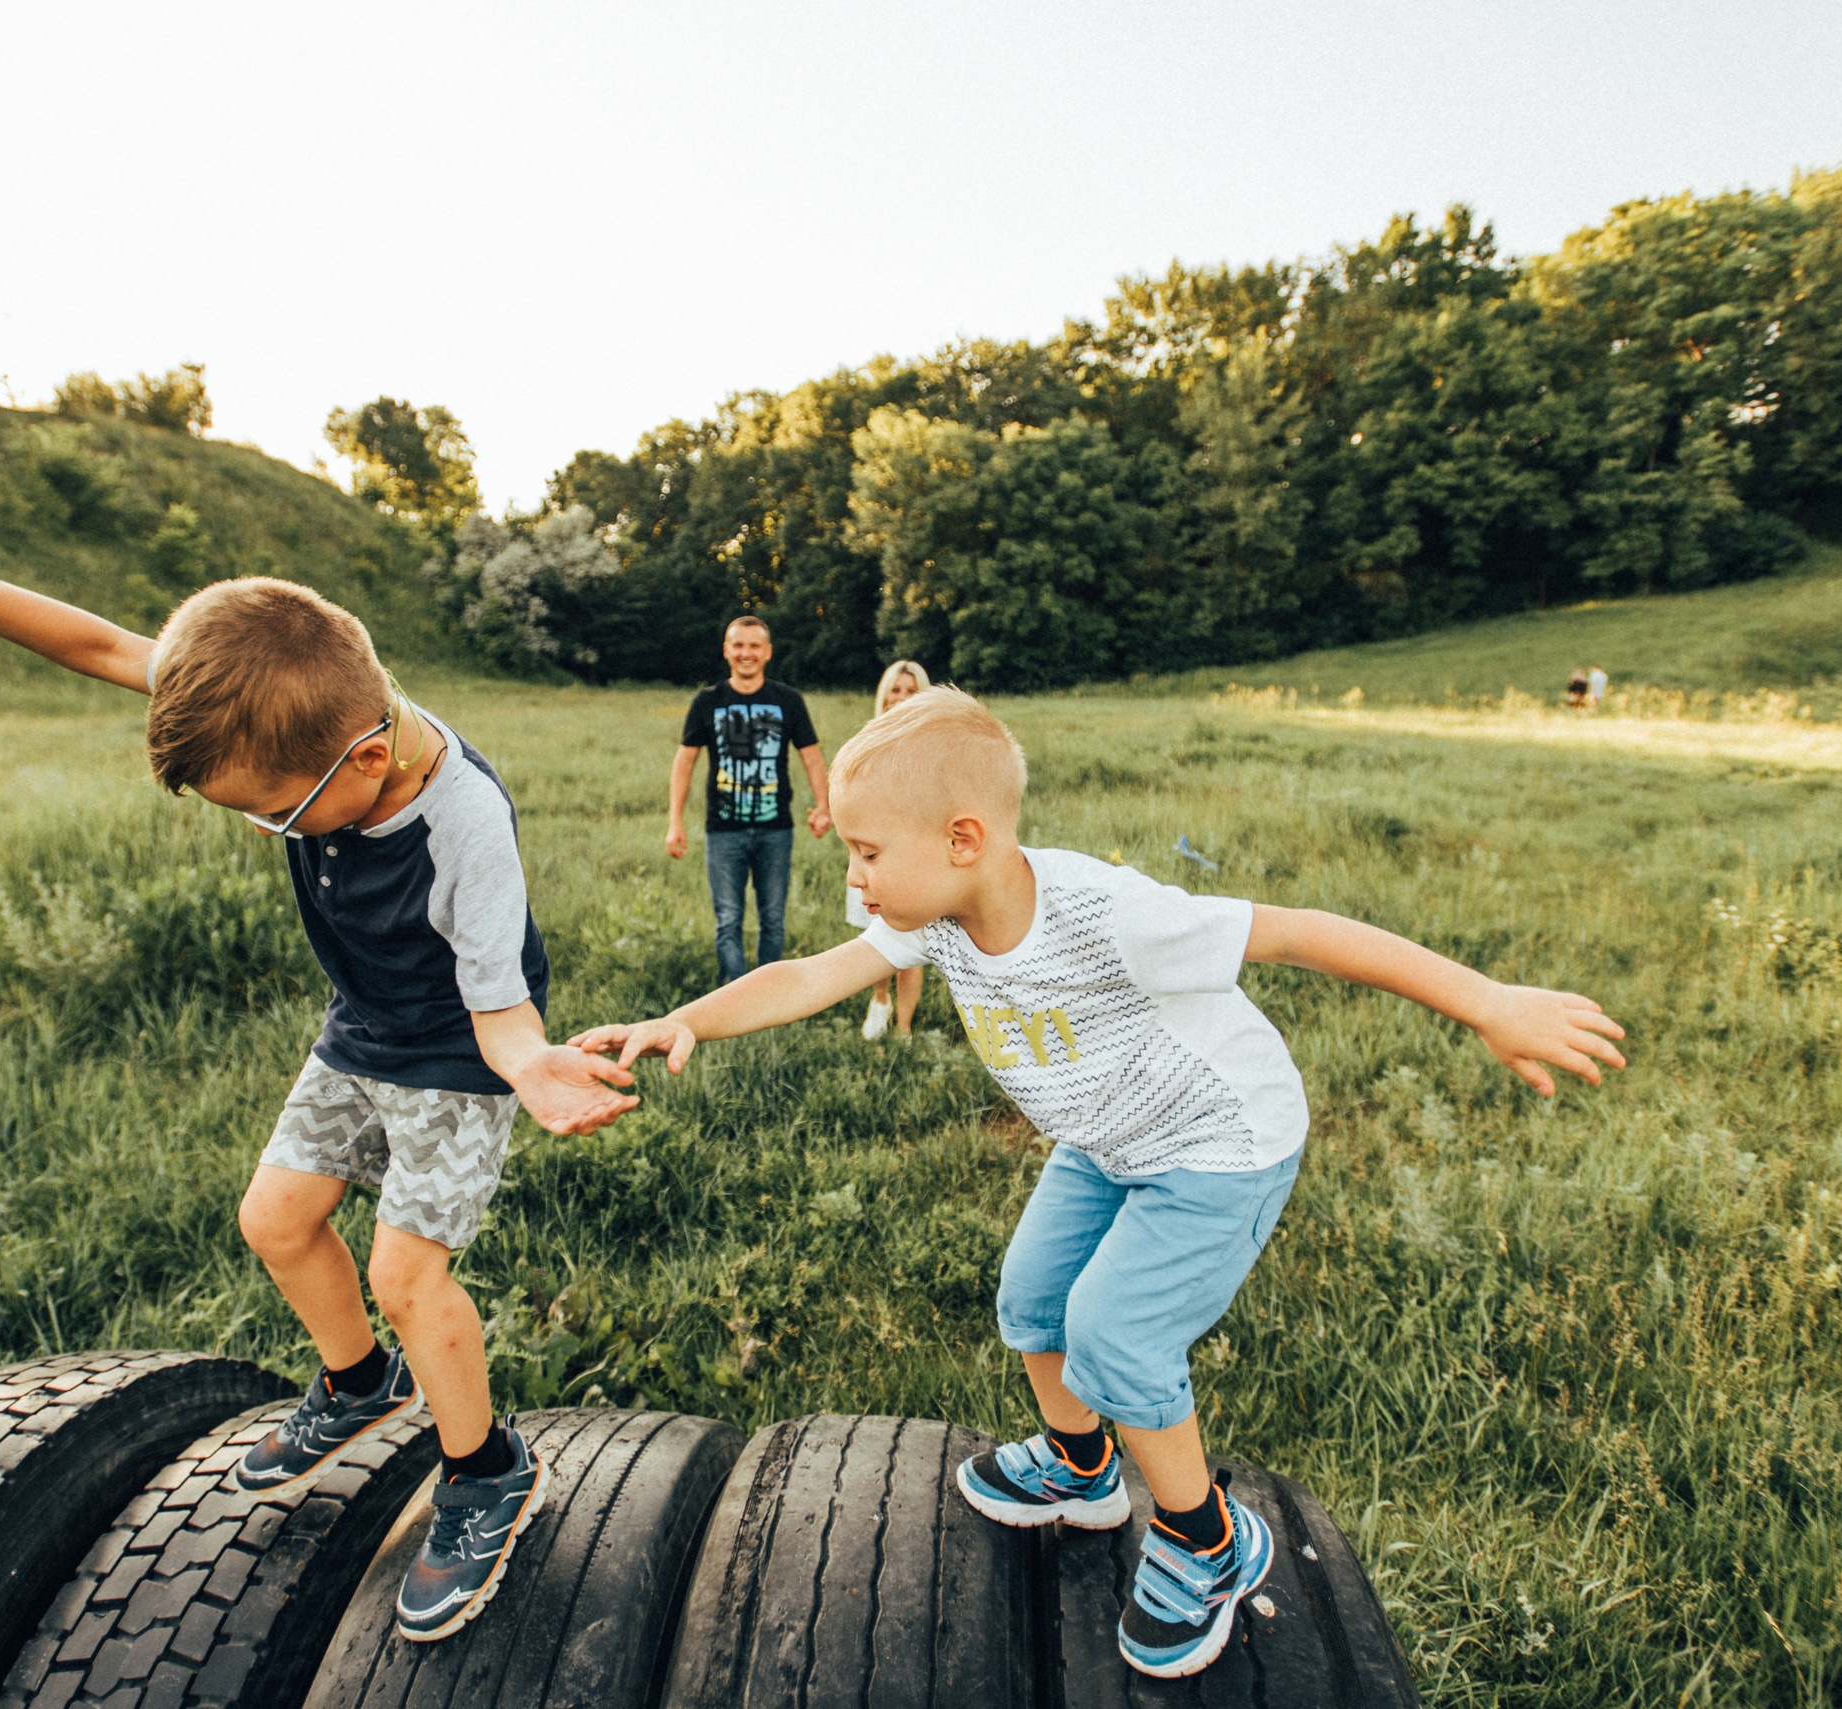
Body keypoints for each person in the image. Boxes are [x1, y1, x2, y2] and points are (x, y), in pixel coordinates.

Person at [573, 687, 1626, 1681]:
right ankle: (1080, 1470)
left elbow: (1301, 931)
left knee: (1115, 1335)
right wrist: (689, 1017)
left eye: (864, 851)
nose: (853, 878)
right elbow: (809, 974)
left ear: (962, 839)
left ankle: (1204, 1538)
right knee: (1032, 1302)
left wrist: (1484, 997)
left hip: (1220, 1140)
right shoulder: (933, 913)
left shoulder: (1108, 911)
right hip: (1106, 1139)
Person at [0, 454, 640, 1644]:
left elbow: (498, 1010)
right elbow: (92, 646)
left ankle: (486, 1466)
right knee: (276, 1219)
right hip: (360, 1025)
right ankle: (355, 1381)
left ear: (368, 762)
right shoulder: (275, 701)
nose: (261, 828)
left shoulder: (465, 826)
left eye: (275, 812)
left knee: (406, 1273)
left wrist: (534, 1067)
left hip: (456, 1045)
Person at [667, 617, 832, 984]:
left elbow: (812, 756)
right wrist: (675, 821)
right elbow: (685, 761)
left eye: (754, 646)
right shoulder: (708, 702)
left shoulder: (787, 701)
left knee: (773, 918)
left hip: (776, 829)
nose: (746, 653)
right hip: (723, 831)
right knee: (728, 919)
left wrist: (824, 806)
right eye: (738, 645)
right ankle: (734, 996)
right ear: (726, 650)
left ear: (768, 652)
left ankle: (768, 997)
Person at [849, 660, 932, 1041]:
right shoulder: (866, 742)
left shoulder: (932, 745)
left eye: (911, 691)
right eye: (895, 690)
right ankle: (879, 1001)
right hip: (872, 853)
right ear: (883, 696)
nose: (901, 698)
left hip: (915, 857)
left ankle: (904, 1027)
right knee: (877, 936)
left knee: (911, 939)